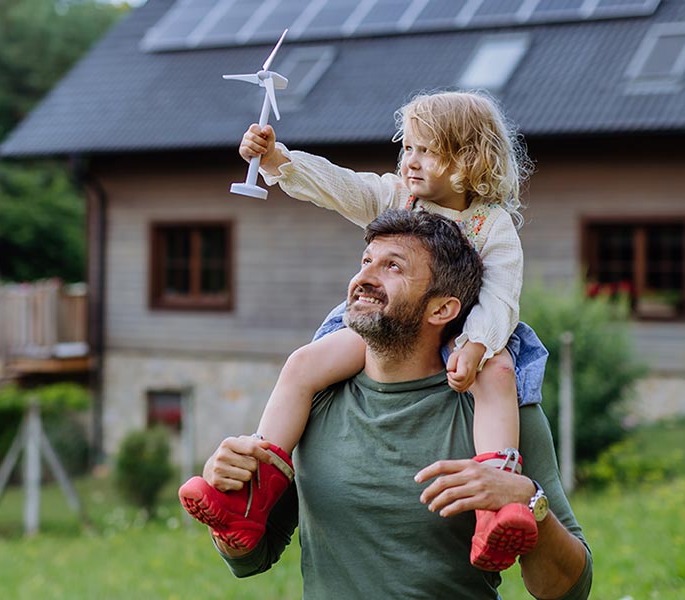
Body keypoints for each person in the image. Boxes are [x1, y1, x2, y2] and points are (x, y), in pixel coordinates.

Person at [180, 90, 549, 571]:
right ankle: (254, 489)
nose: (410, 161)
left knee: (498, 374)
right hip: (389, 325)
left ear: (467, 159)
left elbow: (501, 293)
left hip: (465, 330)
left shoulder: (492, 225)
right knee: (304, 364)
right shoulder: (397, 195)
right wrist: (278, 159)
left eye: (427, 150)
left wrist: (476, 341)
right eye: (408, 148)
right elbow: (341, 186)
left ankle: (494, 505)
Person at [195, 209, 592, 599]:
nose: (363, 278)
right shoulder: (315, 397)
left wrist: (528, 500)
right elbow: (251, 559)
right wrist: (230, 484)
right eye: (366, 261)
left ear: (442, 309)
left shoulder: (499, 411)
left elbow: (569, 590)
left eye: (393, 267)